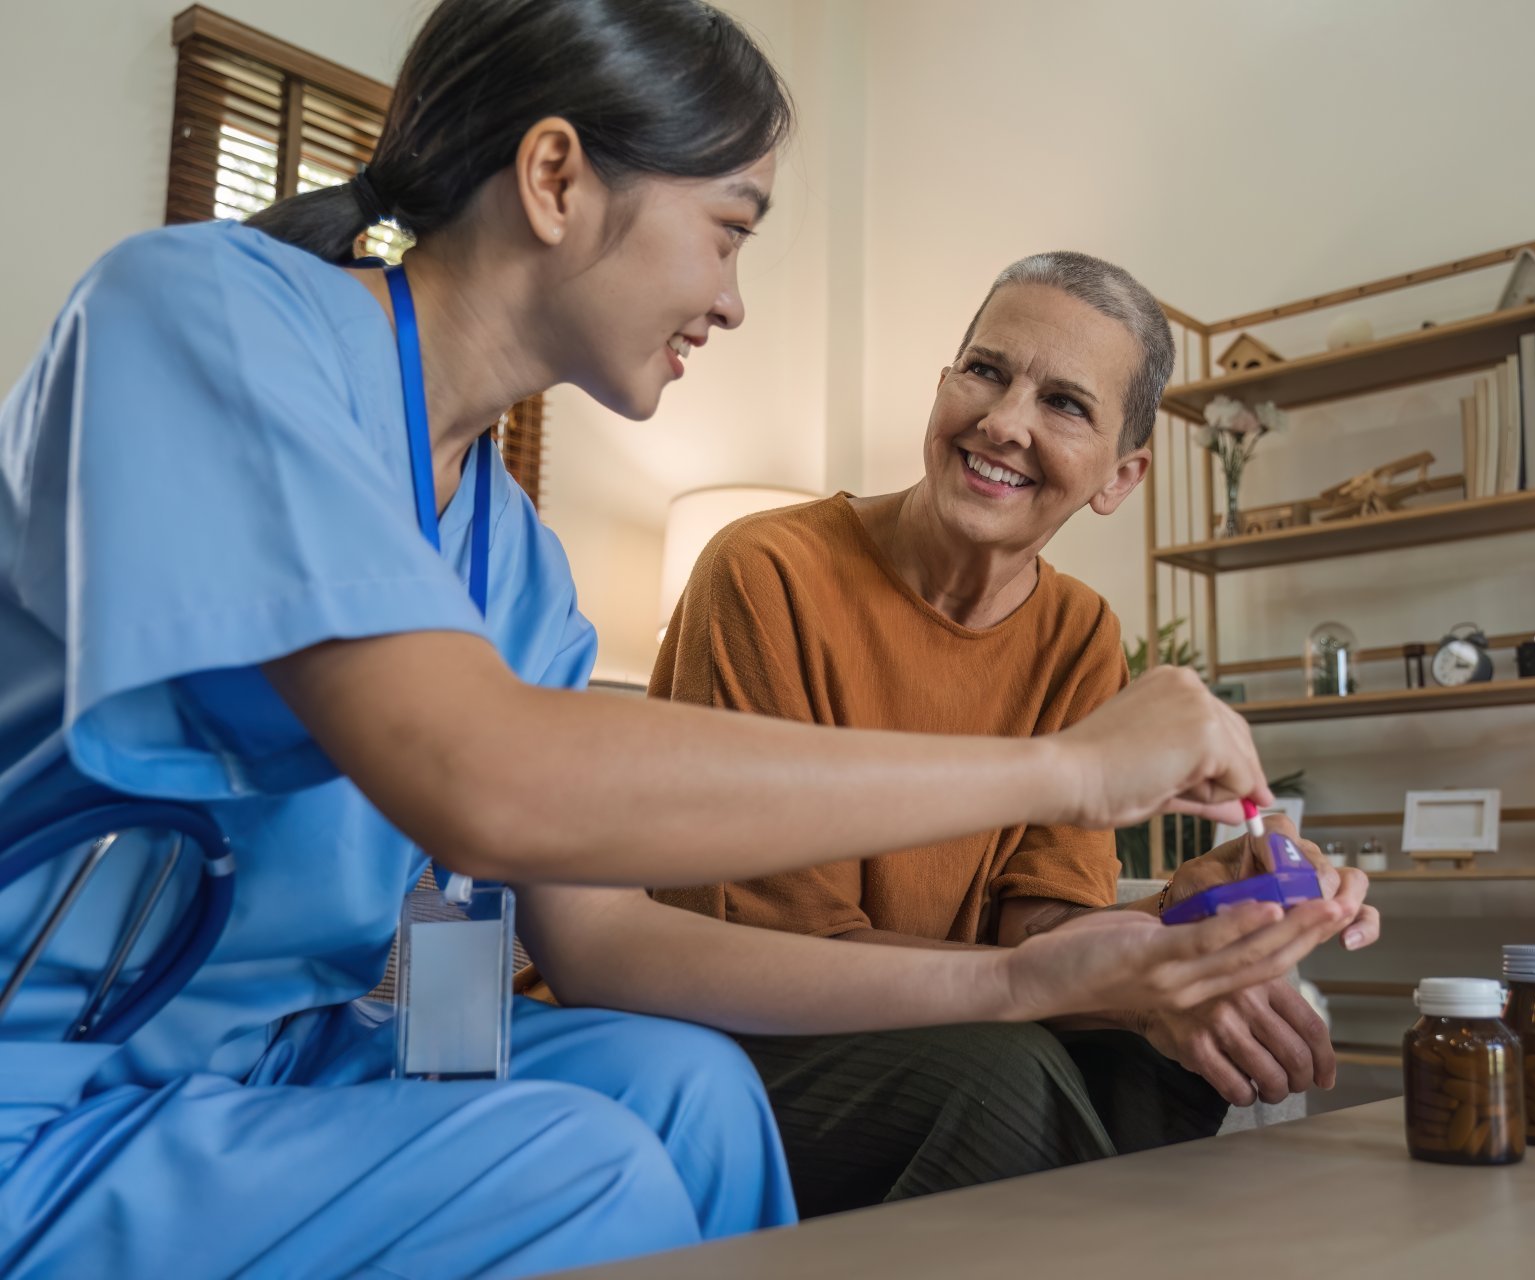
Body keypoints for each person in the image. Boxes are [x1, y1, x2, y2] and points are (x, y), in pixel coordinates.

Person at [0, 2, 1350, 1276]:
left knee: (692, 1091)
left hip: (289, 1053)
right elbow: (486, 774)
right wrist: (1069, 767)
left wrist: (1024, 976)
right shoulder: (198, 316)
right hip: (54, 1084)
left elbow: (597, 941)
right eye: (728, 230)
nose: (735, 299)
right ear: (556, 180)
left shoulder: (514, 557)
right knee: (576, 1166)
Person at [531, 252, 1382, 1216]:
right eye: (985, 371)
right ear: (943, 385)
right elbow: (783, 948)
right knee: (1003, 1077)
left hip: (932, 1017)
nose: (1005, 422)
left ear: (1120, 475)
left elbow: (1039, 928)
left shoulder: (1080, 633)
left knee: (1165, 1063)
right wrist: (1100, 983)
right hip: (722, 1024)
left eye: (1064, 403)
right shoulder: (767, 572)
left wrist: (1182, 917)